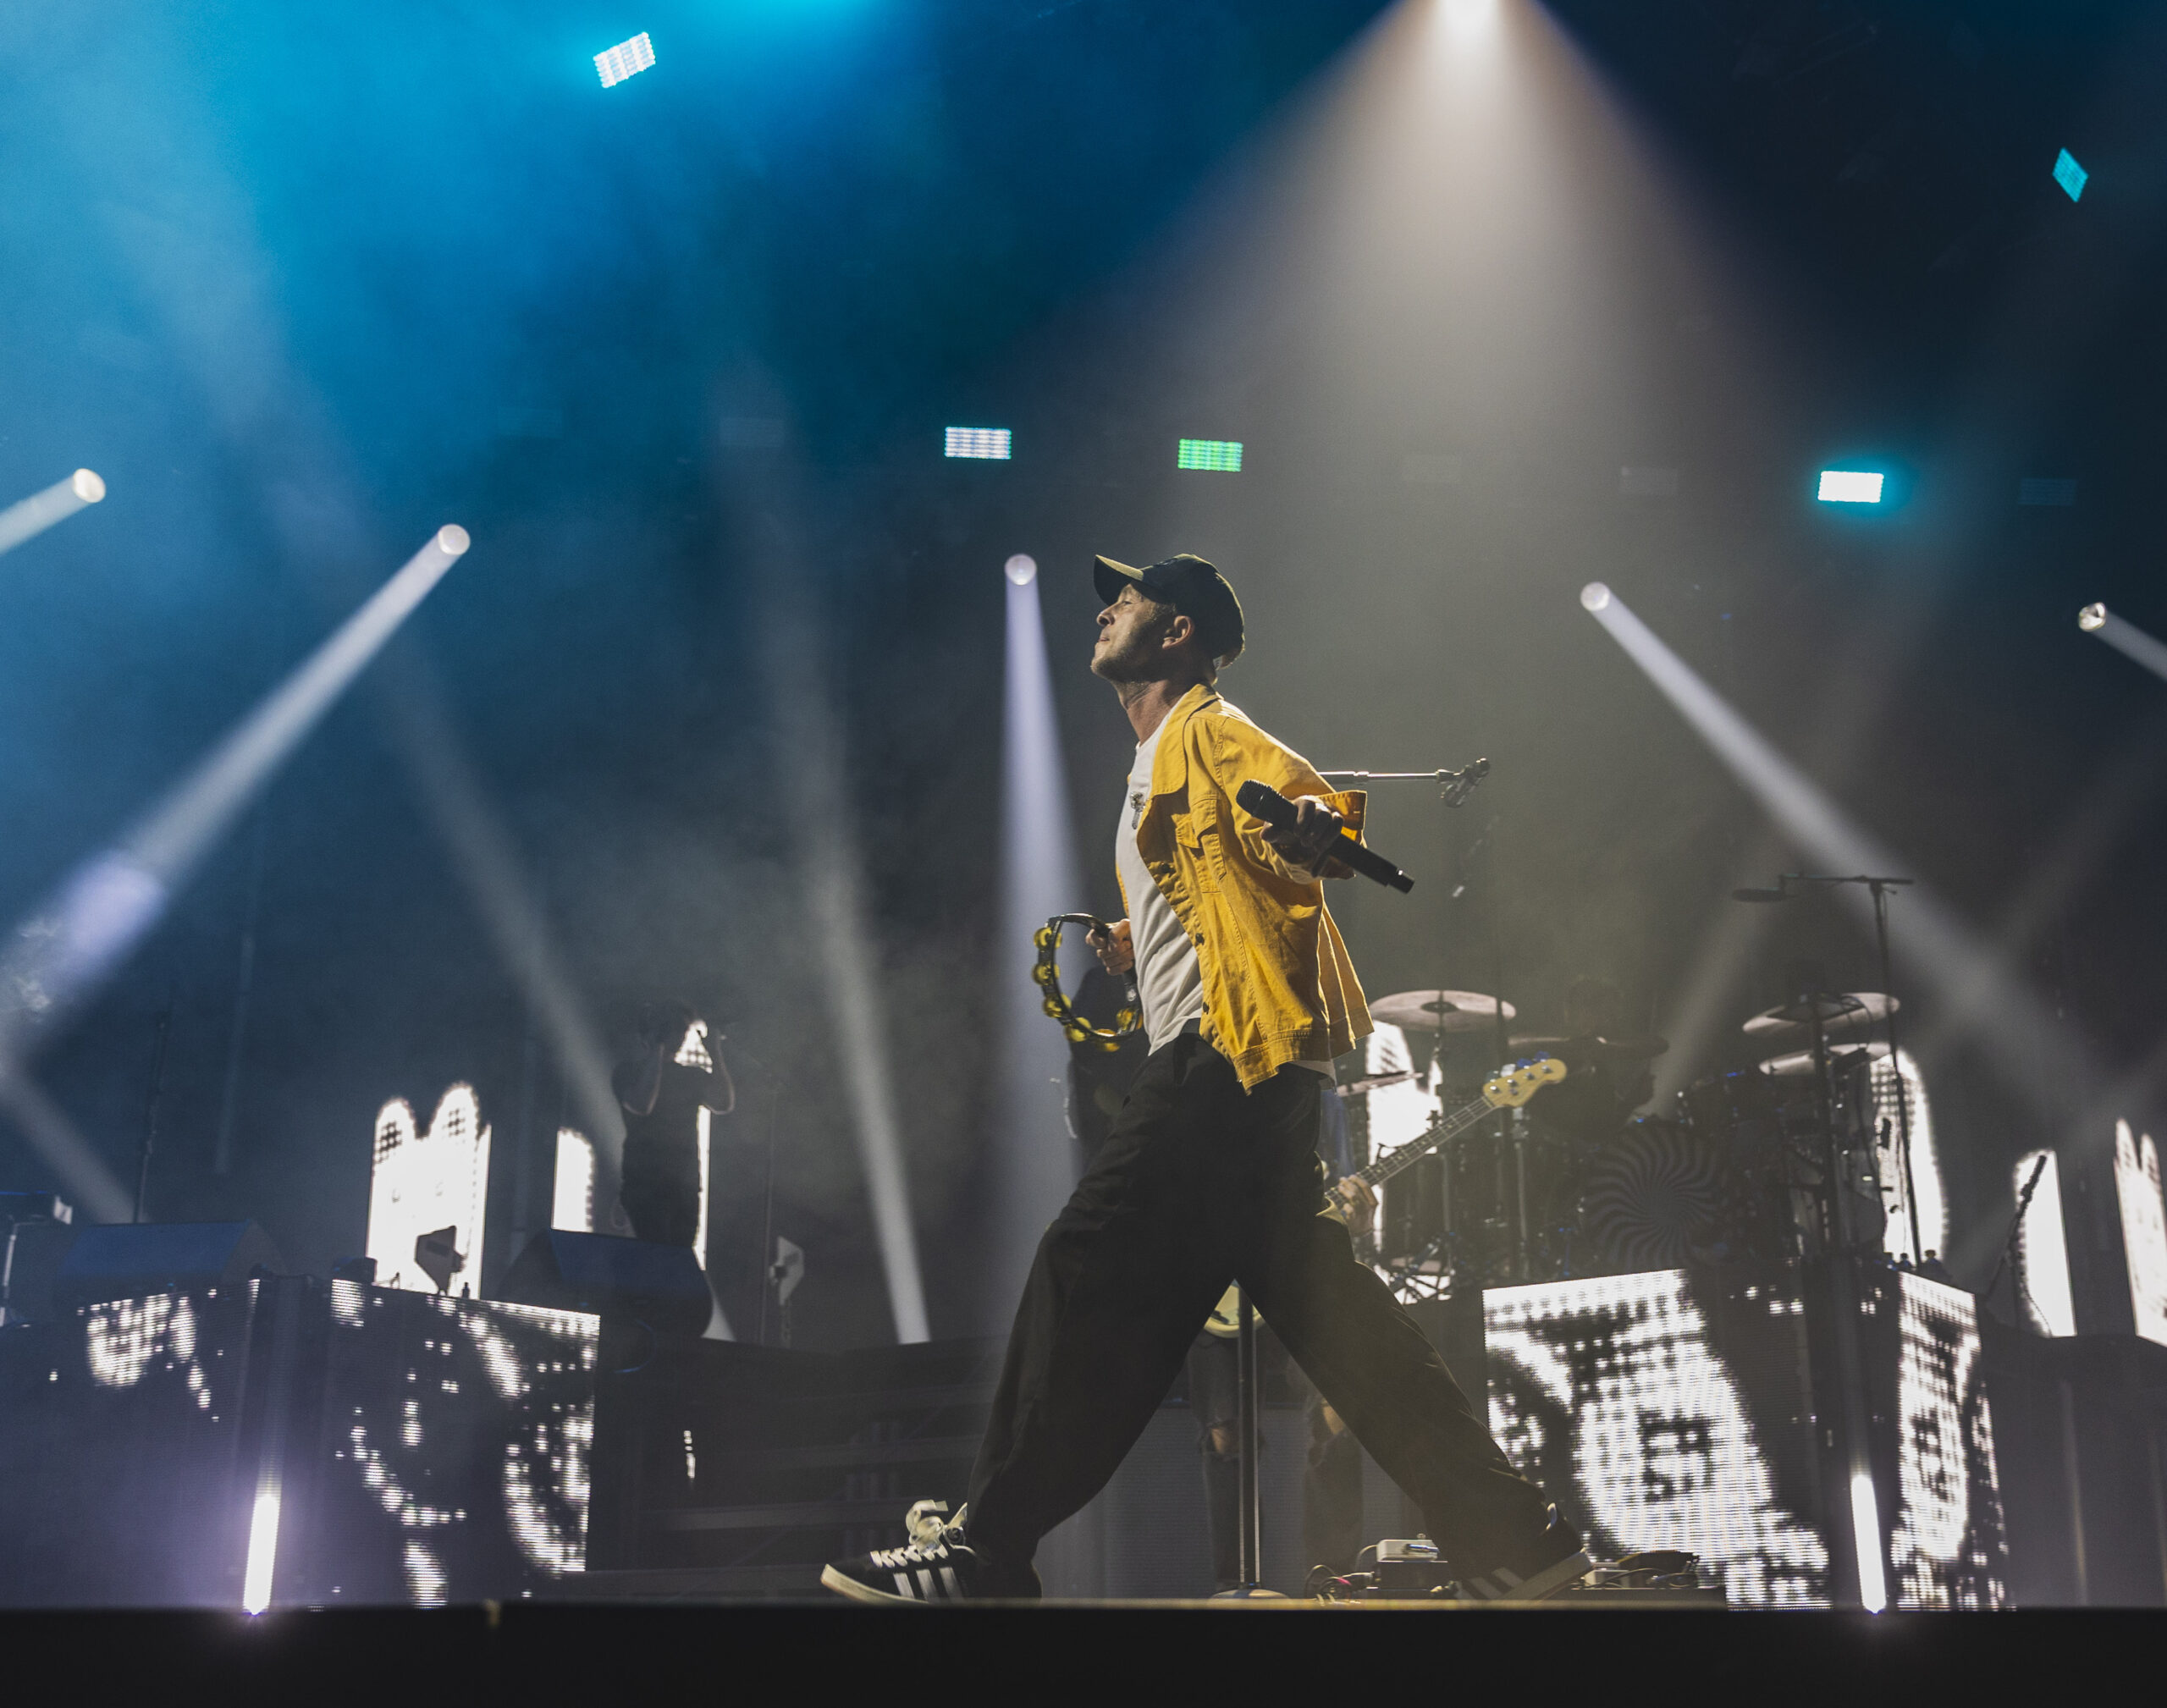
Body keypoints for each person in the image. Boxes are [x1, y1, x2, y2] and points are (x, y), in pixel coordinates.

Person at [822, 553, 1588, 1602]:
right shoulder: (1155, 756)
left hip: (1225, 1060)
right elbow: (1216, 872)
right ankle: (1517, 1539)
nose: (1107, 610)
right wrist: (1138, 934)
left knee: (1083, 1261)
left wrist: (1317, 835)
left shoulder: (1209, 729)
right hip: (1260, 1070)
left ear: (1177, 631)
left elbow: (1298, 809)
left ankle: (986, 1548)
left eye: (1128, 599)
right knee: (1340, 1322)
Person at [613, 1000, 735, 1248]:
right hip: (645, 1184)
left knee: (679, 1259)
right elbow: (642, 1104)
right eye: (675, 1028)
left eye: (683, 1030)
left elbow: (724, 1103)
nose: (680, 1036)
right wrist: (658, 1051)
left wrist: (714, 1051)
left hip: (685, 1184)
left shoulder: (690, 1075)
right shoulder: (628, 1072)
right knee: (652, 1256)